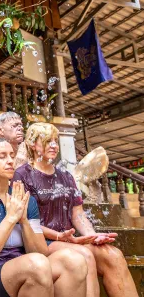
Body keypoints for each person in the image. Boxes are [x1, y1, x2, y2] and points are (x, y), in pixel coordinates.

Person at [14, 122, 139, 297]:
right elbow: (24, 220)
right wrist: (60, 236)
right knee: (85, 256)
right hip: (43, 242)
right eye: (47, 141)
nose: (54, 145)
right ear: (33, 145)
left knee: (114, 255)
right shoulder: (22, 175)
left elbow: (78, 214)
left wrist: (93, 236)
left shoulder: (66, 176)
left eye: (55, 141)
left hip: (71, 240)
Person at [0, 138, 88, 297]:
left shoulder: (26, 199)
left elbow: (41, 253)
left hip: (29, 269)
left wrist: (24, 221)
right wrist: (11, 218)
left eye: (12, 156)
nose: (10, 161)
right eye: (2, 156)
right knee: (37, 264)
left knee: (74, 261)